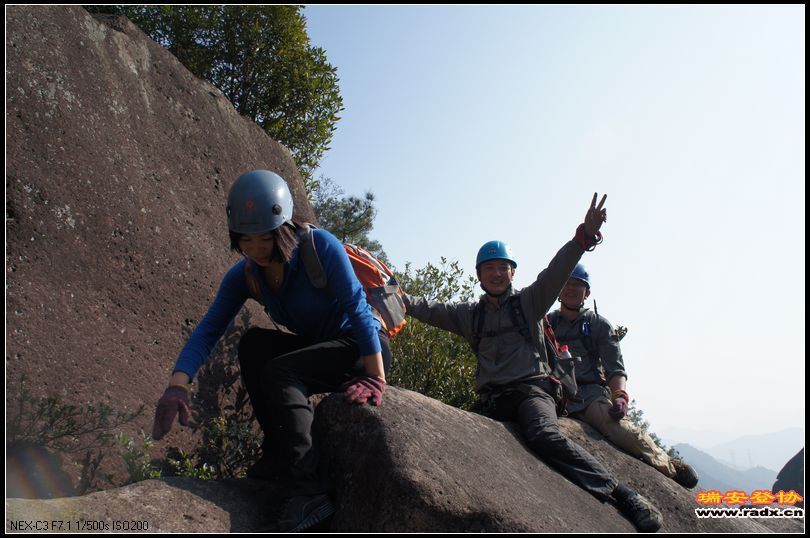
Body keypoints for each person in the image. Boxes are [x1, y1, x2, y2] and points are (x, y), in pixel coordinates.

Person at [402, 194, 664, 533]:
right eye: (489, 268)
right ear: (479, 274)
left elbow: (556, 272)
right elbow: (426, 308)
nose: (496, 274)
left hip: (531, 392)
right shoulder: (470, 315)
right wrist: (396, 297)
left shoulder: (529, 303)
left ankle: (623, 493)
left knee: (543, 434)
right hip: (493, 401)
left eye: (502, 268)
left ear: (512, 272)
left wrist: (584, 236)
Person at [150, 169, 391, 532]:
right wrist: (177, 385)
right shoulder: (244, 275)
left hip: (362, 346)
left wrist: (375, 376)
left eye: (264, 239)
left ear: (283, 228)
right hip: (320, 347)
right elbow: (208, 330)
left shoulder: (319, 246)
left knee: (281, 371)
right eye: (245, 240)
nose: (256, 250)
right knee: (254, 346)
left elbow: (357, 306)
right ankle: (281, 454)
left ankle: (310, 491)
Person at [548, 264, 699, 489]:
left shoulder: (598, 324)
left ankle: (669, 465)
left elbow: (615, 369)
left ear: (587, 292)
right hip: (555, 393)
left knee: (619, 430)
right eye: (566, 283)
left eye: (577, 284)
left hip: (588, 395)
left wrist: (619, 396)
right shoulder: (547, 323)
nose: (570, 289)